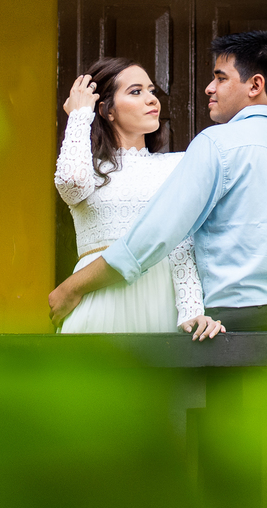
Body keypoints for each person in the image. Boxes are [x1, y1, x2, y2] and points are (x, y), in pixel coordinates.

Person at [49, 31, 267, 332]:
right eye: (136, 91)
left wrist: (72, 287)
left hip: (238, 320)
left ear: (255, 85)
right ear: (107, 111)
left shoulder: (215, 145)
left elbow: (161, 234)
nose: (209, 88)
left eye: (221, 78)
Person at [53, 56, 225, 339]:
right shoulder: (89, 169)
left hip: (162, 302)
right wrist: (79, 115)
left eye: (152, 91)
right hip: (98, 303)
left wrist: (192, 309)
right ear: (107, 110)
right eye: (136, 92)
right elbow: (70, 183)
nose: (152, 100)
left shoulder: (179, 165)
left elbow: (182, 244)